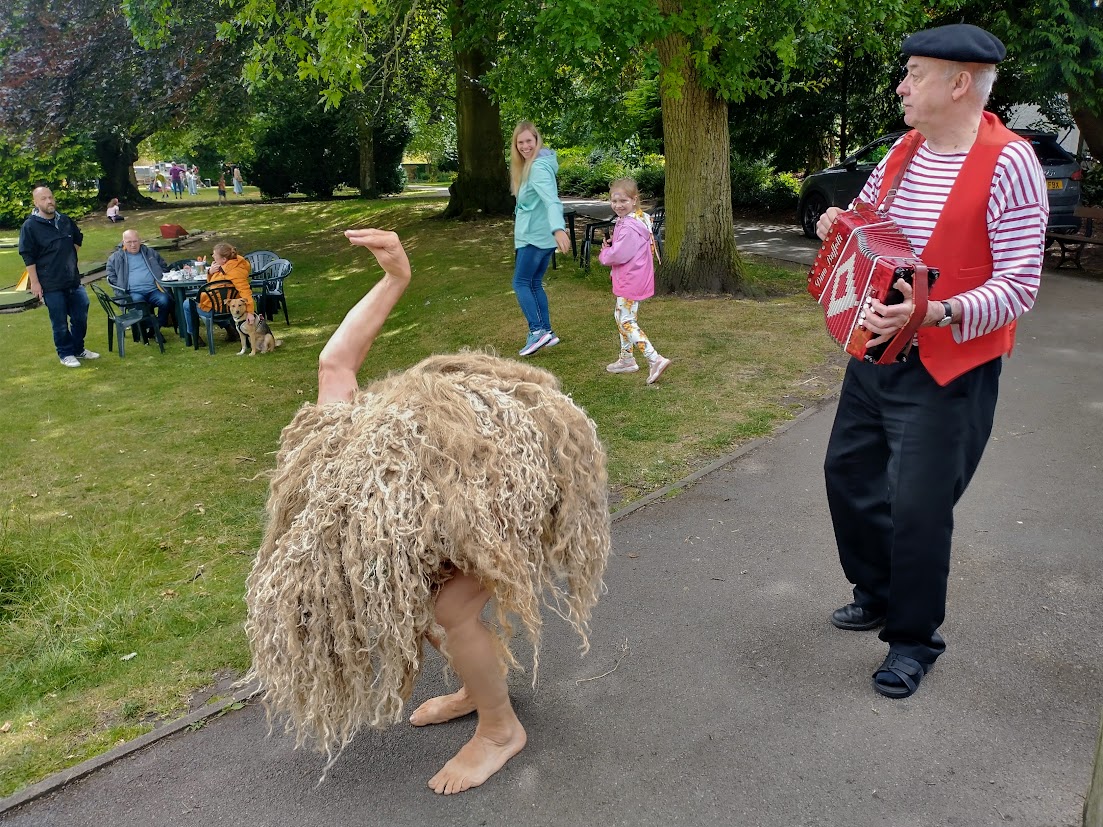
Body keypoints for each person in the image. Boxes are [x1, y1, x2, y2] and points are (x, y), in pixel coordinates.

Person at [244, 229, 609, 795]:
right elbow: (334, 363)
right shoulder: (338, 445)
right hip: (445, 506)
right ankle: (476, 686)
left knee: (450, 609)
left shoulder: (430, 465)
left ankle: (500, 729)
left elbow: (338, 365)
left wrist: (398, 278)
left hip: (501, 491)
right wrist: (395, 278)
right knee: (418, 598)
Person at [815, 23, 1047, 699]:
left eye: (913, 72)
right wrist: (838, 222)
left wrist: (932, 312)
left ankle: (913, 639)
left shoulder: (1010, 163)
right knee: (846, 474)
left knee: (918, 508)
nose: (900, 85)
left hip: (950, 366)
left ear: (957, 83)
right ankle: (877, 591)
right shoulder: (901, 152)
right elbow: (863, 215)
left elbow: (1018, 286)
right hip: (876, 352)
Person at [598, 178, 671, 384]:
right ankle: (627, 359)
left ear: (634, 200)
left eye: (623, 201)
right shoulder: (640, 218)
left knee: (626, 320)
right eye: (614, 201)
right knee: (620, 314)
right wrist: (615, 242)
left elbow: (619, 254)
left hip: (631, 278)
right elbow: (628, 244)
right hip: (637, 275)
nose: (618, 205)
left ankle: (654, 358)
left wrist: (606, 252)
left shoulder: (630, 225)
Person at [17, 186, 99, 367]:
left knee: (80, 316)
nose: (49, 201)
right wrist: (36, 283)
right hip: (50, 283)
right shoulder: (30, 226)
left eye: (51, 197)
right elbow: (27, 256)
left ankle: (78, 349)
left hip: (72, 280)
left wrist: (68, 259)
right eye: (44, 199)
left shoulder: (65, 221)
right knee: (59, 321)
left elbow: (77, 239)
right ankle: (65, 353)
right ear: (36, 203)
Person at [509, 121, 571, 356]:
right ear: (515, 145)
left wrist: (558, 228)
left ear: (537, 141)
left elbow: (552, 200)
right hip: (537, 236)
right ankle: (547, 332)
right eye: (520, 142)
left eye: (529, 141)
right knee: (534, 283)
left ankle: (537, 332)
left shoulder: (537, 168)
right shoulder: (531, 165)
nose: (525, 146)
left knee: (520, 283)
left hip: (535, 237)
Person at [105, 229, 173, 339]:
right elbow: (110, 273)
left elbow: (163, 266)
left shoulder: (150, 252)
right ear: (123, 242)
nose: (133, 245)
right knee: (138, 303)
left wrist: (160, 277)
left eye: (135, 241)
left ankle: (155, 328)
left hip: (154, 289)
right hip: (133, 292)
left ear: (140, 241)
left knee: (165, 300)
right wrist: (121, 284)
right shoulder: (116, 257)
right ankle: (149, 329)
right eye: (129, 242)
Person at [182, 242, 252, 344]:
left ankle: (194, 335)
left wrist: (250, 312)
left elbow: (245, 292)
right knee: (208, 302)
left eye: (215, 255)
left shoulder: (234, 272)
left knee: (187, 304)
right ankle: (229, 329)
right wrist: (210, 272)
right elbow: (214, 285)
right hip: (221, 303)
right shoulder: (227, 267)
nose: (213, 257)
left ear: (224, 259)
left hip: (223, 306)